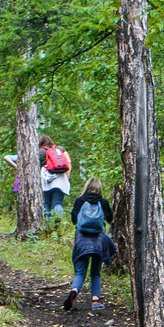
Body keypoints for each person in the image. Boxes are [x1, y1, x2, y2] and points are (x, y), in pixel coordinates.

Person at [65, 183, 111, 312]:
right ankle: (95, 301)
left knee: (80, 272)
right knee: (95, 273)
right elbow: (110, 219)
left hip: (81, 241)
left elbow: (74, 220)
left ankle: (74, 290)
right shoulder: (103, 202)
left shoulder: (79, 201)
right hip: (98, 242)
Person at [39, 133, 72, 223]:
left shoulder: (40, 151)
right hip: (60, 179)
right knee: (57, 203)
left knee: (46, 204)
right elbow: (68, 161)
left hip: (46, 181)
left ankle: (47, 225)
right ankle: (60, 223)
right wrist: (67, 178)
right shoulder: (60, 149)